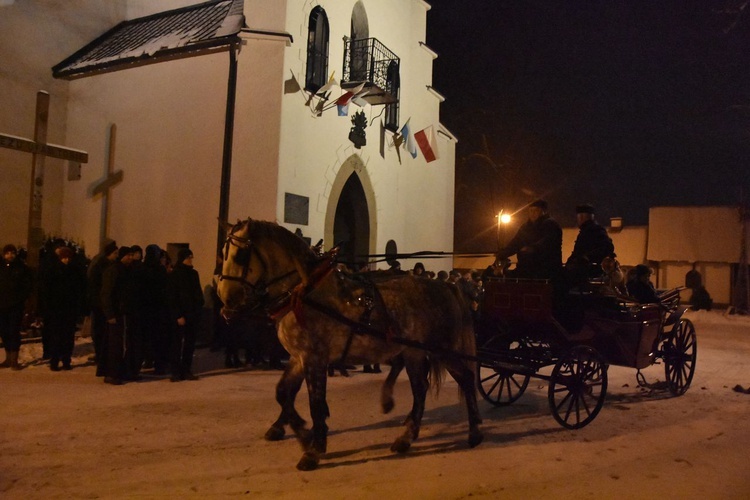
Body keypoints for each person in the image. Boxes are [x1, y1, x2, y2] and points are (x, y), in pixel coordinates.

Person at [39, 246, 86, 371]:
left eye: (68, 258)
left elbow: (79, 290)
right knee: (57, 336)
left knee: (67, 336)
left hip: (68, 309)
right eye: (64, 258)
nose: (66, 260)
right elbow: (46, 290)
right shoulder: (53, 271)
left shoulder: (74, 271)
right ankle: (54, 361)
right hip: (56, 308)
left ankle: (66, 360)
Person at [496, 199, 563, 280]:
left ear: (543, 211)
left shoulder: (551, 225)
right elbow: (516, 242)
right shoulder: (525, 227)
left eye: (536, 211)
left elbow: (547, 242)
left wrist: (532, 248)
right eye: (531, 210)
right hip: (525, 267)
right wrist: (503, 253)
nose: (533, 213)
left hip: (545, 268)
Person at [166, 248, 204, 382]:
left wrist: (199, 306)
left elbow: (198, 293)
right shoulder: (175, 274)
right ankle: (175, 371)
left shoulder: (194, 274)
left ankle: (186, 369)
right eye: (189, 257)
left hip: (192, 314)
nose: (191, 260)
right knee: (176, 344)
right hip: (181, 315)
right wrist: (178, 315)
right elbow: (172, 297)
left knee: (189, 344)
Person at [100, 246, 136, 385]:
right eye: (128, 255)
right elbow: (106, 293)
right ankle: (112, 373)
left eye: (132, 255)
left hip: (124, 312)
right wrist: (110, 314)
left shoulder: (127, 271)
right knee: (114, 345)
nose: (131, 258)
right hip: (115, 313)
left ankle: (121, 371)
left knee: (122, 344)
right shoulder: (114, 270)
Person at [87, 239, 118, 373]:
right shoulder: (102, 265)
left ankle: (103, 358)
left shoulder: (107, 264)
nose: (117, 255)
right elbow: (97, 287)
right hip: (100, 305)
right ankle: (101, 358)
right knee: (100, 332)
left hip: (102, 304)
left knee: (103, 333)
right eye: (115, 253)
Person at [0, 244, 33, 370]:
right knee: (4, 331)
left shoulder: (21, 268)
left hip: (15, 305)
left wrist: (21, 299)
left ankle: (14, 359)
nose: (10, 255)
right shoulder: (1, 267)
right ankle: (8, 358)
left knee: (14, 331)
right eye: (7, 253)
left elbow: (27, 286)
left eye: (12, 253)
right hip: (2, 305)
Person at [565, 204, 615, 284]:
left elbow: (608, 247)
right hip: (582, 268)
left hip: (586, 270)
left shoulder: (593, 230)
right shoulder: (589, 230)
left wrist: (587, 257)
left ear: (581, 217)